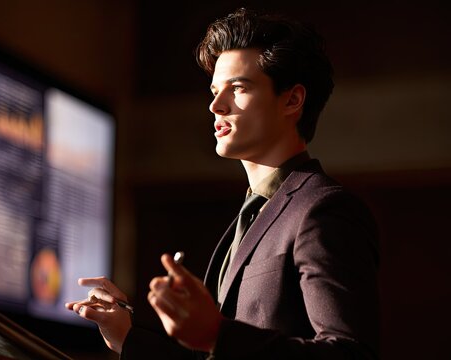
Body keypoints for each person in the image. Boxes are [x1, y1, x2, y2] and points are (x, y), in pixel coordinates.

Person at [66, 7, 379, 359]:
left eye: (238, 88)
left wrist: (217, 333)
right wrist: (128, 337)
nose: (216, 105)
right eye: (215, 90)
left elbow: (352, 354)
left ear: (292, 99)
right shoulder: (252, 216)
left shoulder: (323, 209)